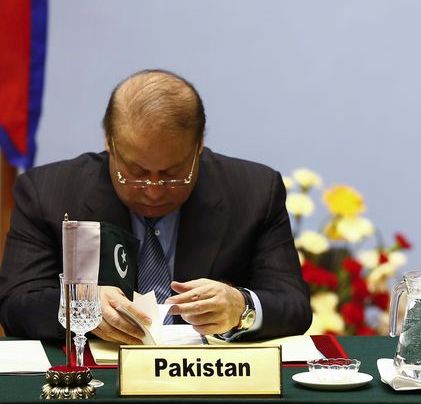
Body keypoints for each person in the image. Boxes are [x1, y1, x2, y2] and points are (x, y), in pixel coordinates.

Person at [0, 69, 312, 343]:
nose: (152, 191)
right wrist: (81, 304)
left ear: (198, 146)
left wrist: (241, 307)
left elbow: (293, 305)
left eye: (172, 175)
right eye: (134, 173)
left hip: (207, 377)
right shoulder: (48, 192)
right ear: (110, 143)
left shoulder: (254, 192)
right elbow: (15, 304)